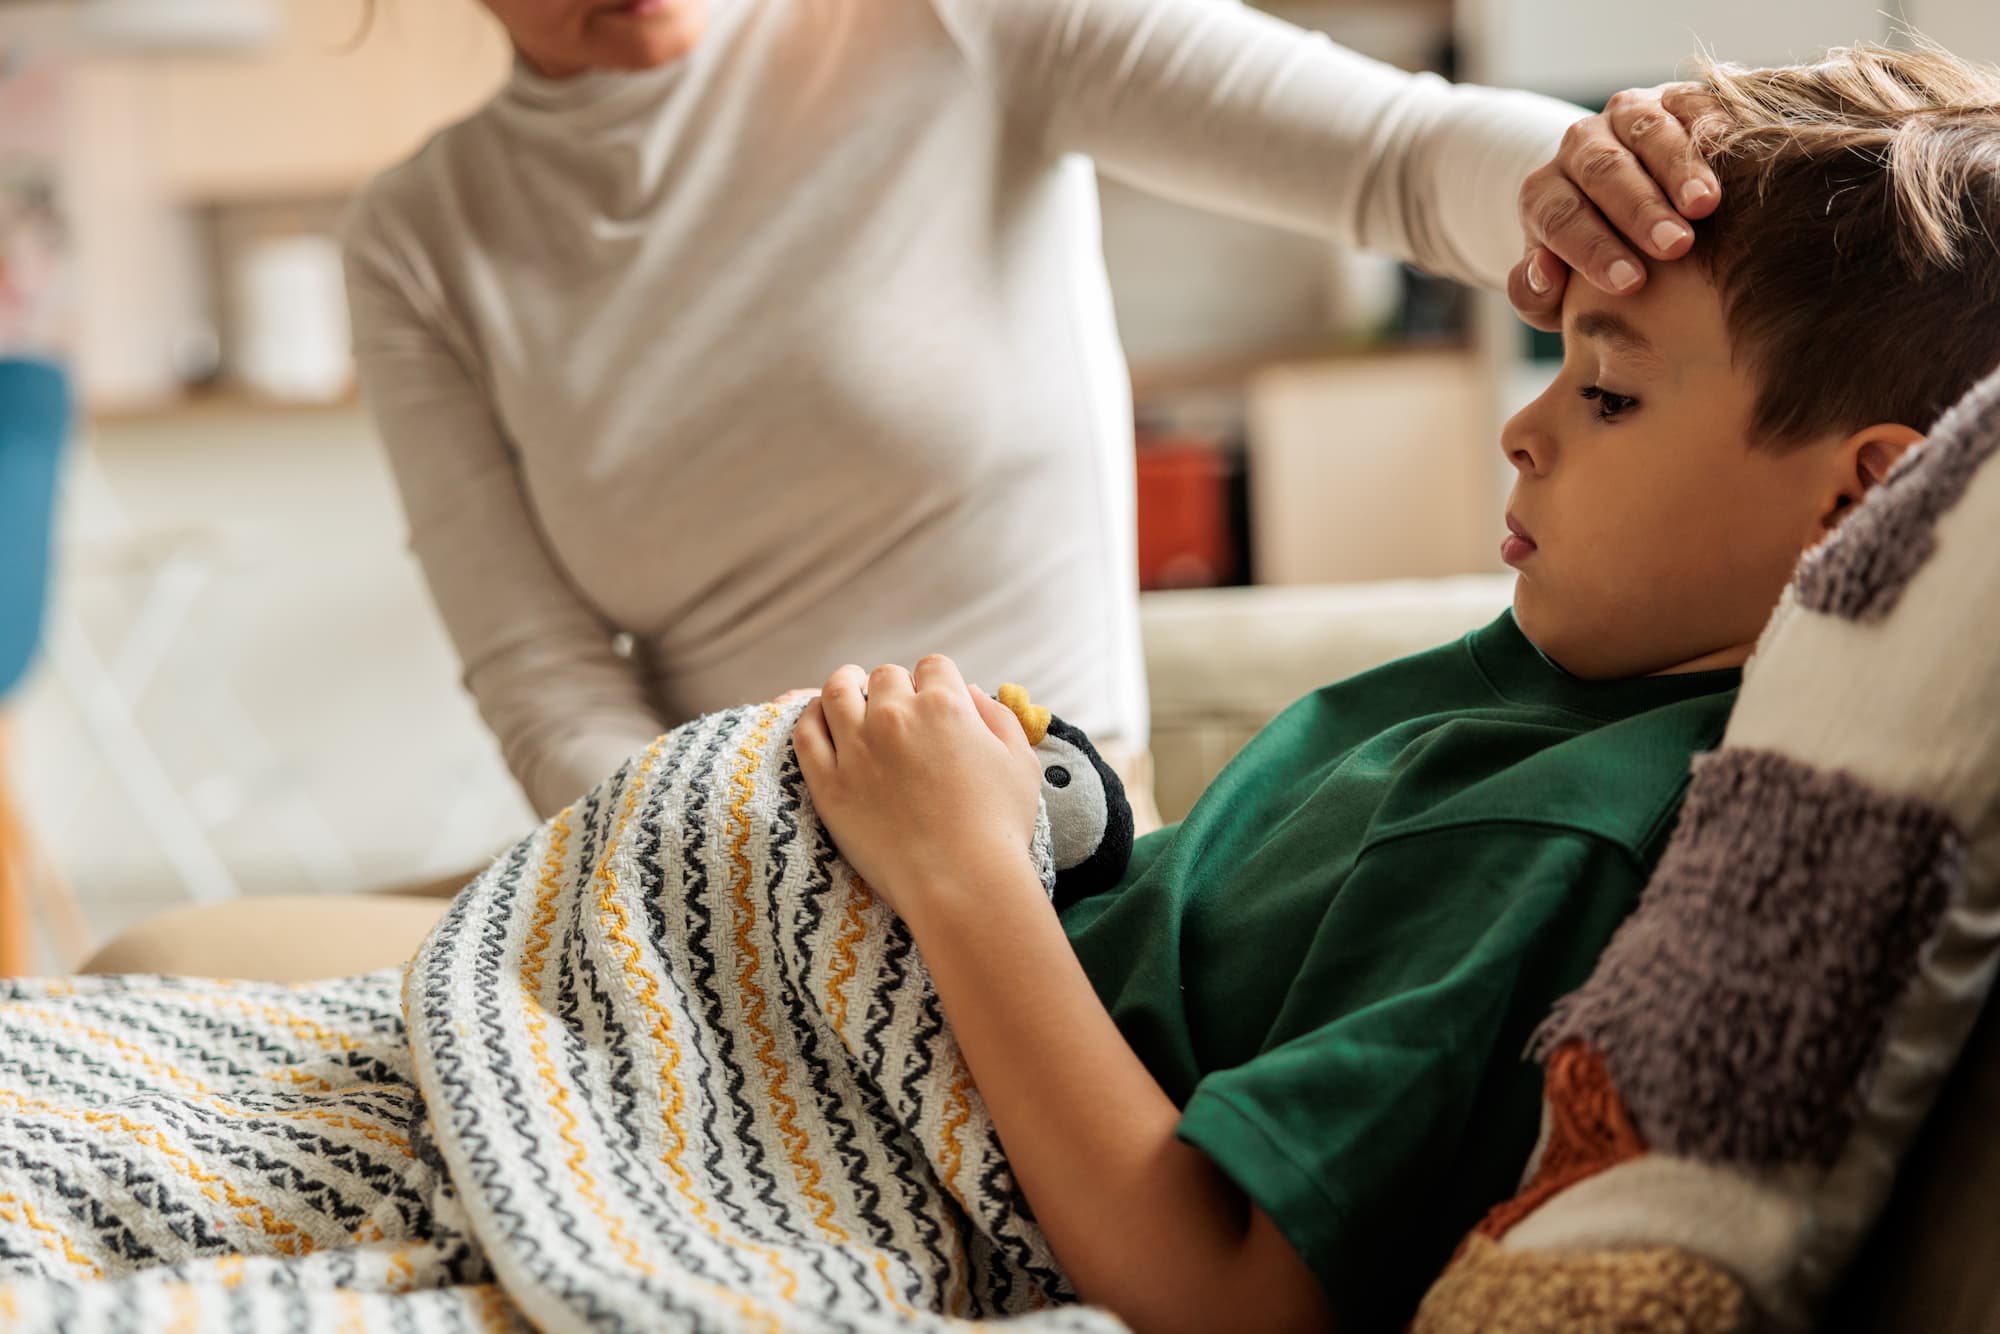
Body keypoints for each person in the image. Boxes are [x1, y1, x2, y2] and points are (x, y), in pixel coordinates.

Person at [788, 40, 2000, 1333]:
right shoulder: (1557, 688)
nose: (1521, 429)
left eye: (1608, 391)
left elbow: (1228, 1289)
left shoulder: (1557, 834)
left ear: (1863, 498)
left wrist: (965, 866)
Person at [338, 0, 1722, 833]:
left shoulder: (954, 21)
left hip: (1055, 866)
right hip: (720, 886)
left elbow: (1399, 158)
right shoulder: (418, 241)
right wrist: (731, 877)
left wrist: (1580, 182)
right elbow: (543, 682)